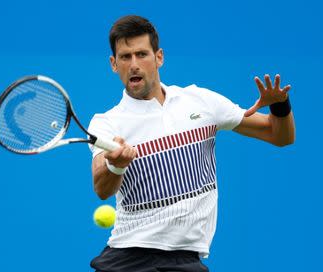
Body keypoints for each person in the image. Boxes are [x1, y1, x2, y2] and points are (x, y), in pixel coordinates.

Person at [88, 15, 295, 272]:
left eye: (142, 54)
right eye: (125, 57)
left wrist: (279, 104)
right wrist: (117, 166)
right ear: (113, 64)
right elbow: (101, 187)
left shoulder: (201, 102)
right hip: (131, 259)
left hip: (187, 260)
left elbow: (280, 136)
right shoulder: (107, 123)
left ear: (159, 57)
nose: (134, 64)